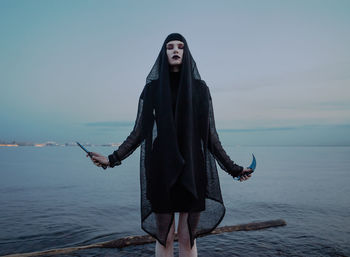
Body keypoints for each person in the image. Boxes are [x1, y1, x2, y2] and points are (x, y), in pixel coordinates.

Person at [88, 33, 252, 257]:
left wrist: (233, 168)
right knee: (164, 236)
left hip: (193, 168)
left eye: (180, 46)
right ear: (164, 54)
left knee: (187, 238)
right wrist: (112, 159)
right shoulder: (152, 89)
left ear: (186, 52)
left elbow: (210, 136)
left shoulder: (200, 89)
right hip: (161, 167)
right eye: (170, 47)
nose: (175, 50)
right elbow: (139, 132)